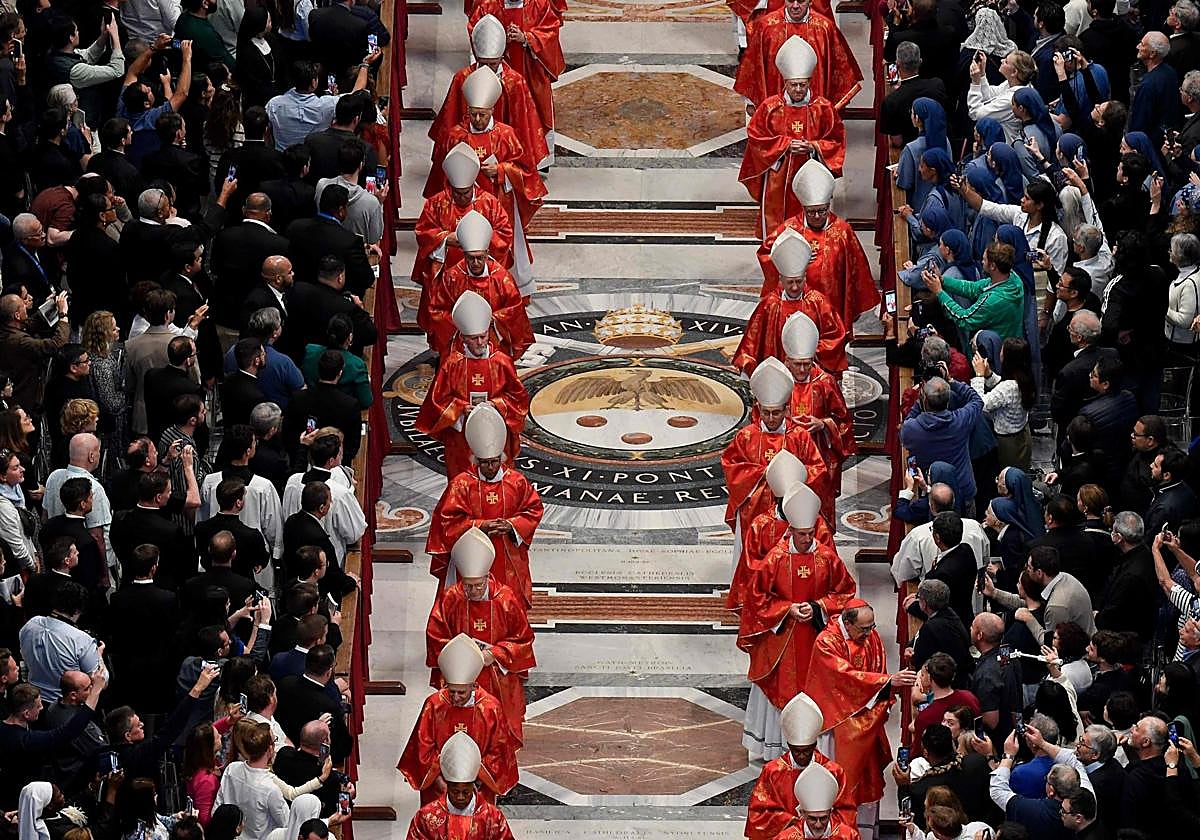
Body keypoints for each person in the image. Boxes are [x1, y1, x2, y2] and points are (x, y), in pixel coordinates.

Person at [738, 484, 855, 761]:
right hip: (782, 638)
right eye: (802, 534)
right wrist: (787, 609)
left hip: (816, 635)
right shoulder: (776, 559)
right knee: (780, 688)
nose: (807, 539)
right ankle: (775, 745)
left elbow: (845, 591)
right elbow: (757, 597)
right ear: (790, 530)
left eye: (811, 533)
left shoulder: (827, 558)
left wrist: (818, 606)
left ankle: (812, 746)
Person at [428, 66, 546, 295]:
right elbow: (442, 174)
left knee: (499, 244)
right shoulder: (456, 135)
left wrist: (502, 170)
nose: (478, 119)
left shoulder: (506, 135)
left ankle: (501, 289)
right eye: (473, 114)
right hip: (460, 203)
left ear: (493, 109)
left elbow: (527, 171)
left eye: (483, 114)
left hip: (497, 203)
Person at [805, 599, 917, 835]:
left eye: (872, 627)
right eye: (864, 628)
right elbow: (843, 678)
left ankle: (865, 832)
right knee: (840, 781)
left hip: (868, 720)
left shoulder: (870, 637)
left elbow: (878, 665)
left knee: (868, 779)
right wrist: (887, 682)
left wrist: (883, 693)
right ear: (847, 622)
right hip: (837, 725)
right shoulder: (826, 642)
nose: (869, 633)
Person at [426, 527, 536, 742]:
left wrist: (494, 653)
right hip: (461, 674)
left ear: (487, 576)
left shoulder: (506, 599)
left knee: (500, 732)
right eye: (468, 585)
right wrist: (460, 655)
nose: (473, 591)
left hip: (496, 671)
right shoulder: (451, 597)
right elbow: (435, 634)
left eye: (478, 585)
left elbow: (523, 638)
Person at [427, 404, 542, 607]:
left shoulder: (516, 482)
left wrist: (512, 525)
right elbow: (447, 522)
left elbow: (533, 510)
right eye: (485, 462)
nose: (490, 467)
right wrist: (482, 526)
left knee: (508, 605)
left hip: (507, 553)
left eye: (494, 462)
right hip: (471, 555)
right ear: (476, 460)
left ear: (501, 458)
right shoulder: (462, 485)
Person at [739, 37, 846, 238]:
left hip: (811, 174)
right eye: (794, 85)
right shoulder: (771, 107)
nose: (798, 90)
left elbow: (836, 140)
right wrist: (785, 145)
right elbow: (756, 137)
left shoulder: (822, 108)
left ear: (809, 82)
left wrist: (813, 146)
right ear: (785, 82)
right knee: (777, 229)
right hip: (778, 177)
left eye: (802, 85)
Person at [758, 159, 878, 337]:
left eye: (822, 211)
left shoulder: (842, 231)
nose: (816, 216)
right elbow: (766, 253)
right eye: (811, 212)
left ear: (828, 206)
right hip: (798, 303)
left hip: (833, 303)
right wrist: (792, 262)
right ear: (803, 208)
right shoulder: (790, 228)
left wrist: (854, 305)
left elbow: (857, 269)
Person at [416, 292, 529, 479]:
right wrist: (461, 408)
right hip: (462, 437)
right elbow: (437, 401)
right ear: (463, 338)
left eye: (483, 337)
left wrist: (497, 404)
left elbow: (519, 397)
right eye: (474, 338)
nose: (480, 343)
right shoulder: (452, 364)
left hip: (495, 429)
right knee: (464, 483)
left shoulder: (501, 362)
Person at [397, 633, 517, 805]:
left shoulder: (490, 708)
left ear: (473, 685)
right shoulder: (434, 704)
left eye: (461, 692)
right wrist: (440, 778)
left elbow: (499, 751)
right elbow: (422, 747)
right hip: (439, 786)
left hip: (478, 786)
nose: (455, 697)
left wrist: (473, 779)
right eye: (451, 691)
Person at [428, 18, 548, 179]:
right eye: (483, 63)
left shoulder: (515, 81)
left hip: (503, 151)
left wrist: (505, 168)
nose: (487, 69)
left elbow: (525, 129)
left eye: (492, 64)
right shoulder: (462, 78)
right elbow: (449, 121)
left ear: (501, 58)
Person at [411, 143, 513, 328]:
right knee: (444, 317)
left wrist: (479, 244)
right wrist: (443, 238)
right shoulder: (437, 202)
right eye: (457, 193)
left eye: (465, 193)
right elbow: (422, 231)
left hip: (480, 272)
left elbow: (505, 232)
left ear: (473, 184)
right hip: (447, 274)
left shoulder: (489, 203)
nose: (461, 198)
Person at [421, 210, 532, 361]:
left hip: (494, 340)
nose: (475, 263)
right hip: (461, 340)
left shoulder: (501, 278)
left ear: (487, 253)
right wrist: (462, 323)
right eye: (470, 258)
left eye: (480, 258)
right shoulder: (452, 277)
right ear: (464, 254)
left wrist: (494, 319)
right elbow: (436, 309)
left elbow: (515, 308)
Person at [735, 231, 847, 379]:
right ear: (781, 279)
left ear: (805, 277)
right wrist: (747, 365)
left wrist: (808, 354)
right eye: (790, 282)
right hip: (777, 379)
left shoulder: (818, 302)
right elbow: (752, 341)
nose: (794, 287)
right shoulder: (770, 304)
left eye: (799, 281)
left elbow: (836, 336)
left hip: (809, 375)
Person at [745, 691, 855, 839]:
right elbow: (758, 814)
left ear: (815, 745)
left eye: (807, 750)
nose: (801, 755)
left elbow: (847, 812)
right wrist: (792, 822)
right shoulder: (773, 771)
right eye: (797, 751)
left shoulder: (833, 772)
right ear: (789, 745)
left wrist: (820, 821)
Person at [733, 0, 861, 112]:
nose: (795, 6)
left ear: (810, 1)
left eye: (800, 1)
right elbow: (752, 67)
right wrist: (750, 102)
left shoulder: (824, 29)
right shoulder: (767, 28)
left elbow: (839, 73)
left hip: (815, 116)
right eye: (790, 0)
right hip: (776, 116)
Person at [404, 732, 516, 840]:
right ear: (448, 787)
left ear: (473, 787)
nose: (460, 797)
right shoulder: (427, 817)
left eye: (466, 792)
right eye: (455, 792)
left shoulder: (492, 818)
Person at [901, 377, 984, 514]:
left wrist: (918, 402)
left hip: (931, 491)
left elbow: (908, 421)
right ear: (948, 400)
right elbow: (977, 400)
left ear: (925, 400)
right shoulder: (961, 420)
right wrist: (951, 380)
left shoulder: (912, 429)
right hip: (962, 488)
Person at [778, 762, 857, 839]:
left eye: (823, 818)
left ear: (831, 813)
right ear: (802, 813)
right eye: (813, 818)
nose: (818, 825)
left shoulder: (849, 836)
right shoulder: (785, 838)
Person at [1129, 32, 1181, 146]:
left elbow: (1139, 122)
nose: (1138, 46)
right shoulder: (1170, 72)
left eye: (1142, 44)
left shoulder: (1148, 85)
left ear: (1152, 54)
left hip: (1150, 142)